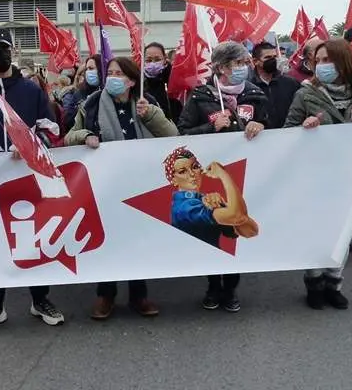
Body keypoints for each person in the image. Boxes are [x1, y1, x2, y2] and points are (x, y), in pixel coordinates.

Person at [0, 27, 65, 335]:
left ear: (13, 52)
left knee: (33, 238)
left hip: (28, 177)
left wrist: (30, 146)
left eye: (5, 48)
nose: (1, 54)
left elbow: (51, 130)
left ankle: (39, 299)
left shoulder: (31, 91)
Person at [283, 39, 352, 310]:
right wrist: (304, 127)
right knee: (316, 232)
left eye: (327, 60)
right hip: (316, 176)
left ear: (343, 61)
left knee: (343, 234)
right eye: (318, 61)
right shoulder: (305, 94)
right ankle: (313, 284)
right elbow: (287, 130)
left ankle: (334, 284)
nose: (321, 66)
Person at [65, 57, 178, 320]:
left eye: (119, 73)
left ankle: (139, 295)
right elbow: (69, 136)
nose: (113, 77)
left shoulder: (145, 102)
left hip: (141, 182)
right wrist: (84, 136)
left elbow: (172, 135)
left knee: (138, 239)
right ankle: (106, 295)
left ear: (130, 80)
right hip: (105, 184)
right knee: (108, 239)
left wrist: (150, 114)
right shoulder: (92, 104)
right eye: (110, 72)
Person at [176, 41, 268, 313]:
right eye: (235, 64)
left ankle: (231, 289)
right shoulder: (201, 95)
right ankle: (213, 286)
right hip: (212, 174)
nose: (241, 68)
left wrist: (261, 124)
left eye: (244, 63)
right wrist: (210, 126)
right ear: (220, 68)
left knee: (237, 227)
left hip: (248, 172)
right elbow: (183, 132)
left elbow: (275, 127)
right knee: (213, 229)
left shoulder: (255, 93)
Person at [250, 42, 301, 129]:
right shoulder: (249, 87)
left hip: (289, 135)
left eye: (274, 57)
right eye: (268, 58)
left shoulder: (291, 83)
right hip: (260, 138)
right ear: (255, 61)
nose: (272, 60)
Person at [143, 42, 184, 122]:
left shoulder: (175, 79)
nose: (153, 63)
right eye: (148, 60)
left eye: (157, 59)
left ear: (165, 59)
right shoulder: (139, 83)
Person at [61, 55, 101, 132]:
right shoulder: (78, 93)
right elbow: (69, 121)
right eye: (87, 69)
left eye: (91, 68)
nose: (88, 72)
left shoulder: (107, 92)